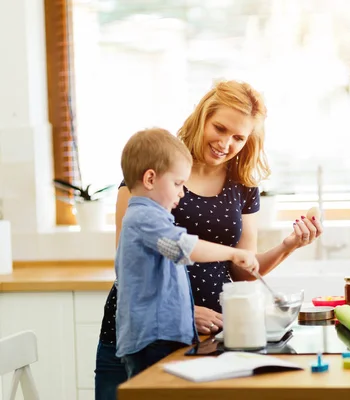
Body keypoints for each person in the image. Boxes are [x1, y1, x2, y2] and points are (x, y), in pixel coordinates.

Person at [95, 80, 324, 400]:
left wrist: (289, 246)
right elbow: (129, 266)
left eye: (239, 137)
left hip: (210, 339)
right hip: (143, 336)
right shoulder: (156, 171)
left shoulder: (242, 184)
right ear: (202, 116)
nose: (225, 143)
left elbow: (244, 270)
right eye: (220, 128)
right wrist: (183, 312)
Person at [115, 128, 259, 378]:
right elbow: (184, 247)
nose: (182, 192)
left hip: (162, 337)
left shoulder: (155, 218)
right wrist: (233, 254)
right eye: (178, 183)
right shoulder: (144, 217)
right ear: (150, 179)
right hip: (152, 340)